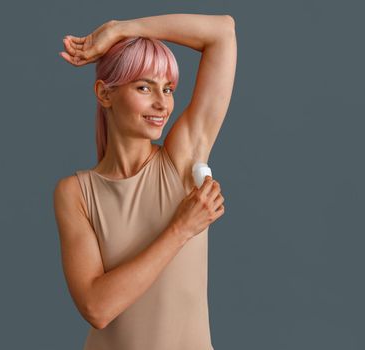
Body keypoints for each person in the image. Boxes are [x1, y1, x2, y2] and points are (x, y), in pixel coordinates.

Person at [53, 13, 236, 350]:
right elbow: (97, 307)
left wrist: (121, 29)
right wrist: (181, 228)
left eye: (167, 89)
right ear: (105, 94)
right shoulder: (76, 193)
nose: (161, 103)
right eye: (143, 87)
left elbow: (222, 33)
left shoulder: (182, 158)